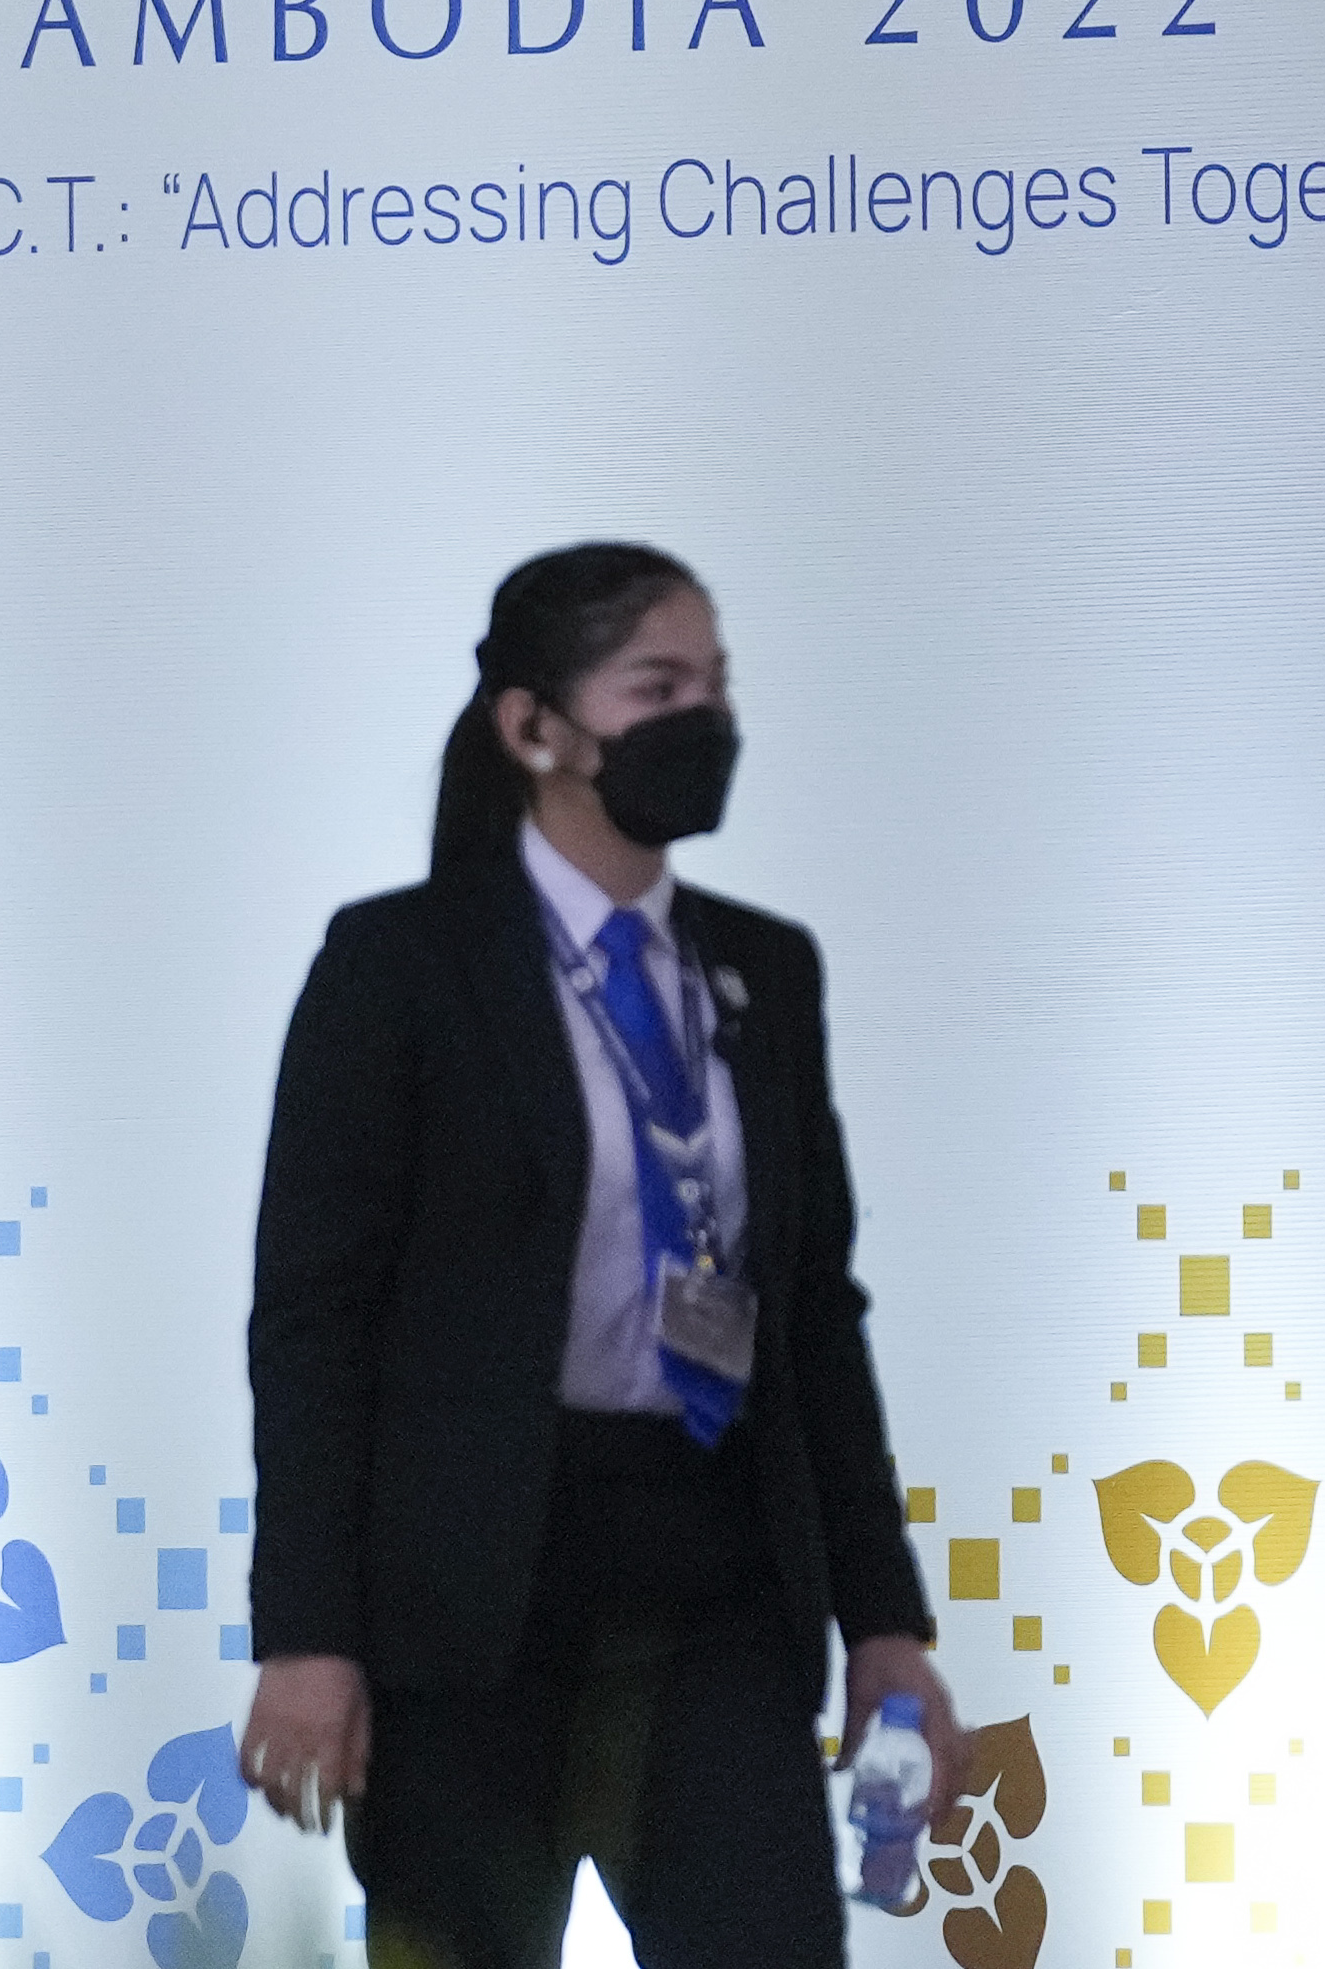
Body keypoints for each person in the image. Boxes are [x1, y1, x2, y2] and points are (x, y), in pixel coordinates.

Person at [238, 542, 965, 1969]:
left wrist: (886, 1620)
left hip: (718, 1581)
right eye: (658, 685)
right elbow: (313, 1322)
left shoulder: (767, 971)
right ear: (533, 728)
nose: (706, 718)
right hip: (476, 1601)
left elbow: (815, 1311)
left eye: (717, 683)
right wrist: (306, 1634)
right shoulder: (402, 968)